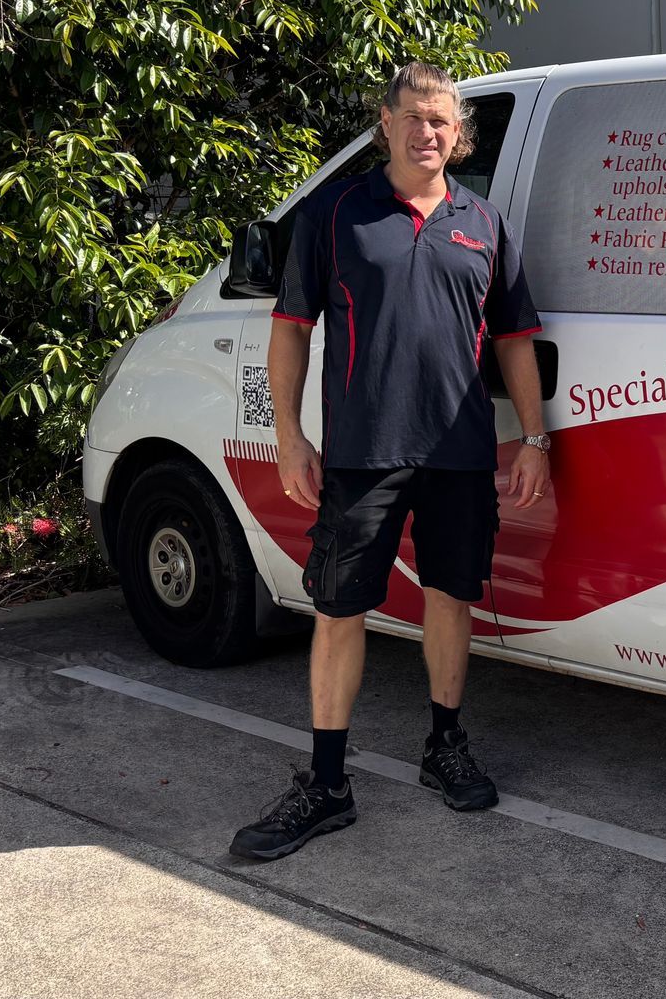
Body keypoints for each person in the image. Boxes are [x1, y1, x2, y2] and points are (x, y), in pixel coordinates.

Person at [230, 62, 549, 861]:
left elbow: (514, 338)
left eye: (441, 119)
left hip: (460, 453)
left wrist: (536, 438)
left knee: (451, 596)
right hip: (362, 454)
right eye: (413, 116)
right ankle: (327, 784)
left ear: (459, 132)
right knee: (340, 610)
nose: (427, 131)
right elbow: (292, 327)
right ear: (386, 122)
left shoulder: (485, 222)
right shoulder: (335, 214)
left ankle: (444, 745)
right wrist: (291, 437)